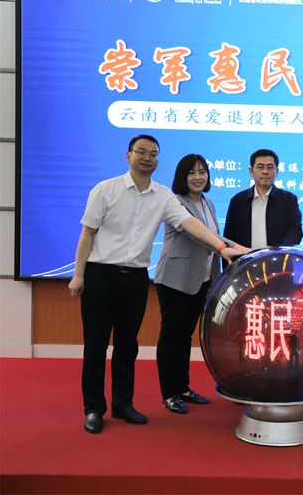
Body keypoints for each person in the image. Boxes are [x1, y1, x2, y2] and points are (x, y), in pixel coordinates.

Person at [68, 135, 245, 435]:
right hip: (100, 275)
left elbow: (190, 224)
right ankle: (94, 408)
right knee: (96, 345)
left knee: (127, 345)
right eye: (142, 152)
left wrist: (220, 247)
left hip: (136, 278)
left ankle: (123, 404)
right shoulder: (105, 189)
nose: (147, 158)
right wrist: (78, 274)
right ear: (128, 156)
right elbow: (88, 234)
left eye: (153, 154)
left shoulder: (163, 196)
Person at [154, 154, 250, 414]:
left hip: (202, 279)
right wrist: (234, 248)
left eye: (202, 172)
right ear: (182, 176)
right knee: (172, 336)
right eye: (192, 172)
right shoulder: (175, 201)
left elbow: (214, 235)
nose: (198, 177)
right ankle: (170, 393)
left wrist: (242, 249)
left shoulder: (207, 202)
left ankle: (183, 388)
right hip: (175, 279)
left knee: (185, 336)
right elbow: (199, 234)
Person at [223, 149, 303, 249]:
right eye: (260, 167)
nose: (265, 171)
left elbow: (296, 231)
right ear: (251, 171)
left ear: (277, 171)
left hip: (279, 258)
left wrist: (278, 252)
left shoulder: (289, 199)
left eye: (270, 167)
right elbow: (229, 236)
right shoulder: (238, 200)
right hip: (245, 258)